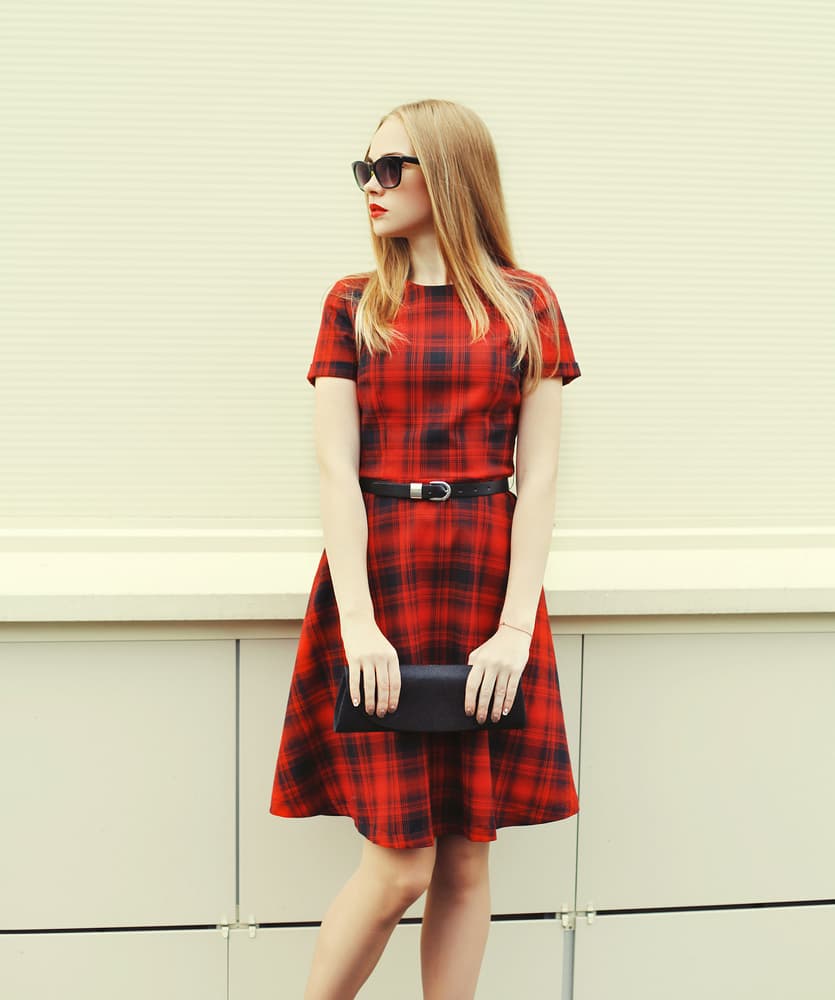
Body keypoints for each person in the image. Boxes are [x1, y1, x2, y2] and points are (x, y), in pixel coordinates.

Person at [270, 98, 581, 1000]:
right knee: (398, 865)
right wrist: (359, 624)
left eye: (388, 168)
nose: (369, 187)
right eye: (362, 170)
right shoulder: (353, 305)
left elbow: (539, 478)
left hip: (485, 584)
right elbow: (336, 472)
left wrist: (513, 630)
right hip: (382, 584)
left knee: (465, 857)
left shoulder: (526, 303)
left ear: (445, 173)